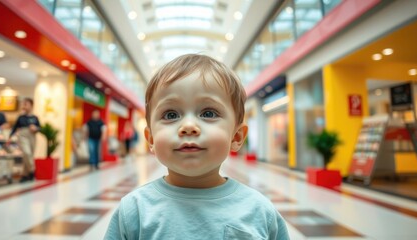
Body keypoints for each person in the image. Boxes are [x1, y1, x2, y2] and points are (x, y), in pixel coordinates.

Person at [105, 54, 289, 239]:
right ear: (151, 138)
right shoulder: (134, 212)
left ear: (236, 136)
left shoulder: (259, 211)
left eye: (208, 113)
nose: (188, 127)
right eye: (170, 115)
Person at [9, 98, 41, 183]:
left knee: (29, 156)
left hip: (32, 136)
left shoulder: (35, 117)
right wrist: (10, 137)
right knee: (27, 153)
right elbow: (15, 127)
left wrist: (36, 128)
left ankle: (26, 175)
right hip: (23, 135)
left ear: (31, 105)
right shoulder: (21, 117)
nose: (24, 106)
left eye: (26, 104)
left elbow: (40, 128)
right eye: (23, 104)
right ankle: (33, 169)